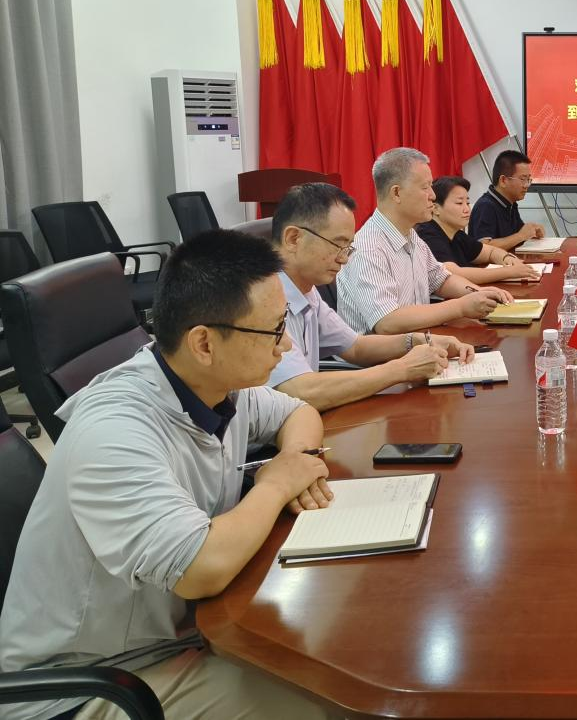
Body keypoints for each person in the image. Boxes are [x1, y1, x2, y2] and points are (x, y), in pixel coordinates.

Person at [0, 230, 338, 720]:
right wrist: (278, 483)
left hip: (177, 637)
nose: (285, 344)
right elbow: (201, 568)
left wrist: (298, 461)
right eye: (273, 330)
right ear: (204, 342)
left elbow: (298, 412)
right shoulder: (114, 430)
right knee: (325, 699)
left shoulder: (217, 383)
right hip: (90, 686)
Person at [268, 182, 476, 411]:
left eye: (348, 248)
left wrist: (416, 341)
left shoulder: (306, 289)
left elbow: (355, 347)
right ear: (293, 239)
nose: (344, 259)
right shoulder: (262, 299)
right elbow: (301, 391)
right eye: (337, 245)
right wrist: (403, 368)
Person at [338, 147, 515, 335]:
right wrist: (461, 307)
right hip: (389, 352)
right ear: (396, 193)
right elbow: (387, 321)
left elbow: (441, 279)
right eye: (425, 187)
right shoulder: (368, 248)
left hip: (422, 344)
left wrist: (478, 293)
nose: (433, 195)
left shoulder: (411, 235)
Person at [418, 176, 542, 286]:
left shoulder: (457, 234)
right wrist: (508, 272)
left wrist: (508, 259)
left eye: (467, 202)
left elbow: (490, 252)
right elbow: (453, 274)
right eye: (459, 203)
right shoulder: (428, 235)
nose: (467, 209)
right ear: (436, 209)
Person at [469, 149, 546, 250]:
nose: (527, 185)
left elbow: (517, 236)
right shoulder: (485, 206)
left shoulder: (510, 203)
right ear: (503, 180)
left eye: (528, 179)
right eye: (523, 179)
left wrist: (533, 231)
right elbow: (483, 247)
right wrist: (521, 236)